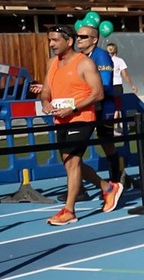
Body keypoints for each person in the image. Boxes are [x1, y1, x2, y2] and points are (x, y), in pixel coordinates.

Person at [41, 25, 121, 225]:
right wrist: (45, 102)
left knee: (73, 162)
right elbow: (45, 89)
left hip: (82, 117)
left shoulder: (85, 63)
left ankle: (69, 210)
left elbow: (98, 93)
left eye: (55, 40)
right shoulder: (52, 63)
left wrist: (74, 108)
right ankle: (108, 187)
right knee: (69, 162)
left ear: (69, 41)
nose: (51, 44)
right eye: (49, 40)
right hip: (61, 118)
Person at [76, 23, 123, 183]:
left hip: (103, 107)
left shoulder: (101, 56)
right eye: (77, 36)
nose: (79, 39)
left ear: (94, 39)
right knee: (75, 150)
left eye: (83, 37)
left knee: (107, 143)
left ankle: (115, 181)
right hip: (86, 106)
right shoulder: (79, 57)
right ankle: (79, 187)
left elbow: (104, 85)